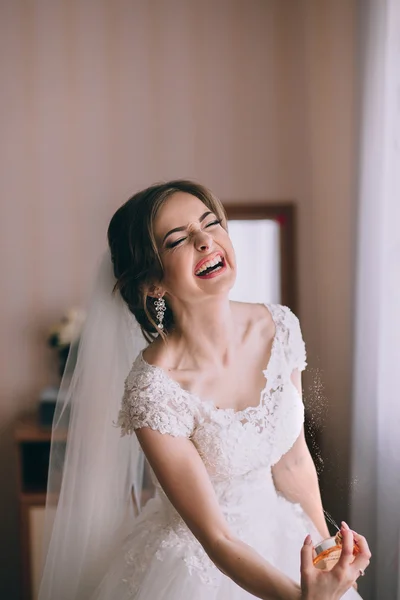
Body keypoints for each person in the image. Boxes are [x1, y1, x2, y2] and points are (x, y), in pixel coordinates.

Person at [38, 180, 370, 600]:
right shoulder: (152, 388)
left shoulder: (279, 326)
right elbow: (216, 539)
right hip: (201, 567)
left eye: (210, 223)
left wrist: (328, 555)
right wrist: (302, 598)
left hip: (285, 536)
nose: (204, 240)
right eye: (177, 239)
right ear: (153, 284)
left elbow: (292, 461)